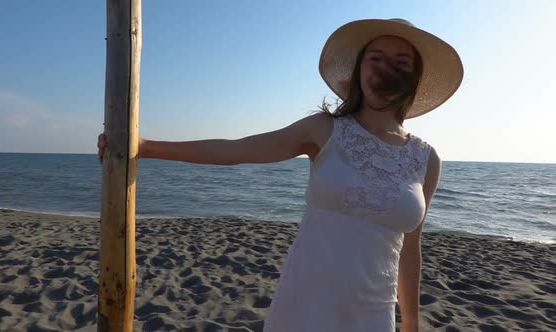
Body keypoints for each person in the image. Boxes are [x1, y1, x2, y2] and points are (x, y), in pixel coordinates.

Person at [98, 18, 463, 332]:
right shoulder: (325, 130)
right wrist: (145, 147)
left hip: (373, 311)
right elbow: (238, 150)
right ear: (359, 68)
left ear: (413, 76)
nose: (387, 68)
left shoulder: (425, 159)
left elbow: (410, 248)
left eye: (401, 61)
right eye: (376, 57)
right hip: (306, 302)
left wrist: (412, 322)